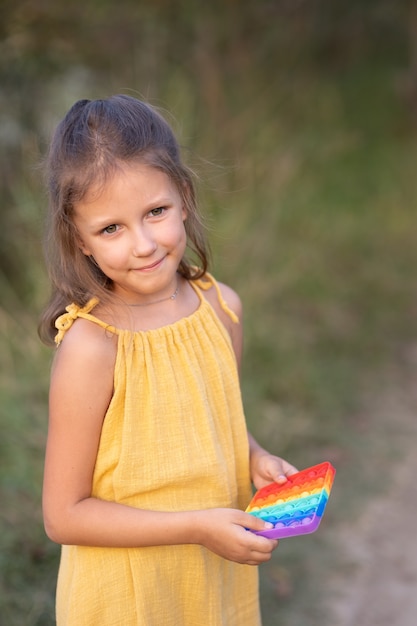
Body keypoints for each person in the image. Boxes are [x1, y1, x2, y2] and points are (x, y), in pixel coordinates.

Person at [39, 95, 297, 626]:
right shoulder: (93, 348)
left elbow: (211, 418)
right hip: (126, 598)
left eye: (155, 212)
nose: (143, 244)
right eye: (111, 228)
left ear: (182, 196)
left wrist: (254, 457)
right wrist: (197, 526)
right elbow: (63, 516)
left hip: (210, 581)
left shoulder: (222, 307)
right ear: (79, 240)